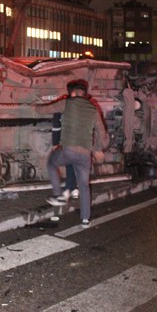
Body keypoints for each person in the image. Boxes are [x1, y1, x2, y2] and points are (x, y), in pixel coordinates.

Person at [36, 79, 108, 228]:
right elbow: (101, 132)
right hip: (85, 154)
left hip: (69, 150)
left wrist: (34, 106)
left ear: (73, 93)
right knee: (84, 185)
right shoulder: (93, 108)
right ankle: (85, 219)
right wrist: (98, 149)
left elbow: (43, 110)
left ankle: (58, 195)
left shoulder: (67, 103)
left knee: (51, 162)